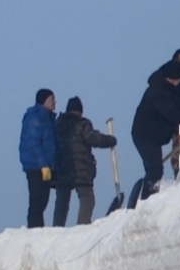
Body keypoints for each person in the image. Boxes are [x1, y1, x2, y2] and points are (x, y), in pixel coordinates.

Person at [130, 59, 180, 202]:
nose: (177, 82)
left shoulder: (172, 87)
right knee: (155, 169)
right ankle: (147, 199)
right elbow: (174, 114)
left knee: (154, 168)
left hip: (155, 134)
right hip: (144, 135)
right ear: (168, 78)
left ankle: (148, 195)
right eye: (175, 80)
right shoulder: (157, 93)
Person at [49, 96, 117, 227]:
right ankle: (82, 226)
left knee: (62, 201)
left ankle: (57, 228)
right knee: (87, 198)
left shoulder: (58, 125)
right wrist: (110, 140)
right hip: (81, 170)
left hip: (62, 170)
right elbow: (95, 139)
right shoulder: (83, 124)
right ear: (80, 111)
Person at [18, 88, 56, 229]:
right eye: (52, 99)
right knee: (37, 200)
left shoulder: (47, 118)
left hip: (44, 166)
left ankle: (37, 229)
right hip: (36, 166)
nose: (54, 103)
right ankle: (34, 230)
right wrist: (43, 165)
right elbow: (33, 142)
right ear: (44, 100)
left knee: (43, 200)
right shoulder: (36, 117)